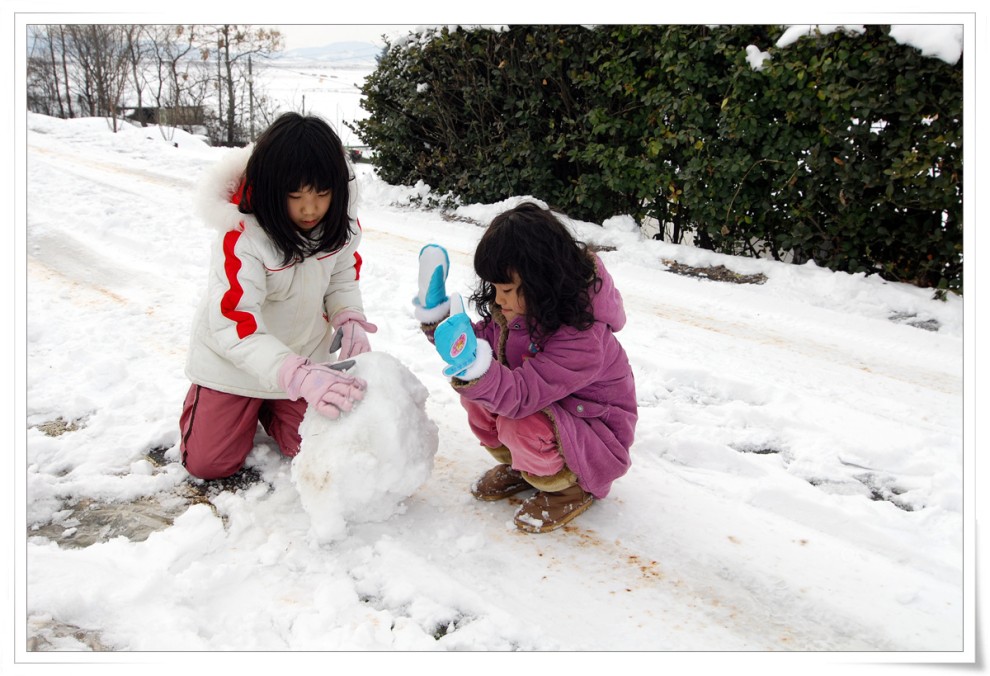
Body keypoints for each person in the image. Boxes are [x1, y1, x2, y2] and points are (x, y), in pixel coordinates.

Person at [413, 202, 637, 533]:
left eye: (506, 290)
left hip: (596, 439)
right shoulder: (518, 314)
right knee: (477, 396)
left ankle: (569, 487)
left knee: (518, 419)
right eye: (495, 289)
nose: (498, 299)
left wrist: (477, 368)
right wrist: (441, 322)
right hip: (554, 416)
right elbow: (478, 349)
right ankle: (525, 467)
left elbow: (522, 395)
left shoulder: (582, 338)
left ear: (541, 282)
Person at [179, 112, 376, 480]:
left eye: (322, 193)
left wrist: (348, 317)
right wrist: (295, 375)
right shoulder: (242, 237)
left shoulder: (339, 227)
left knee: (318, 448)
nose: (310, 208)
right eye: (295, 195)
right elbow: (237, 324)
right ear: (271, 189)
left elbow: (341, 278)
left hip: (302, 358)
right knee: (209, 465)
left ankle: (270, 406)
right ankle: (237, 403)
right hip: (234, 364)